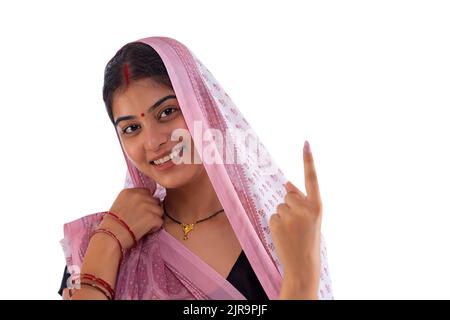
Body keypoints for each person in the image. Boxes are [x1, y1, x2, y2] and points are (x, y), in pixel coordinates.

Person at [58, 36, 333, 300]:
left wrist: (301, 277)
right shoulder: (97, 243)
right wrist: (107, 241)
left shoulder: (280, 234)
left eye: (167, 112)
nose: (153, 141)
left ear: (203, 108)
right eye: (132, 128)